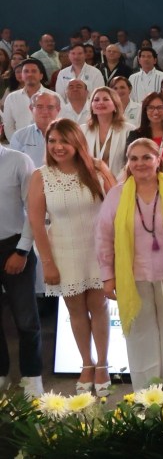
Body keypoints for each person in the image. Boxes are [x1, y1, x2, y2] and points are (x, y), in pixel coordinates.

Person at [96, 139, 163, 395]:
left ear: (158, 160)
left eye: (146, 157)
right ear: (128, 164)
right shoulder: (117, 194)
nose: (140, 163)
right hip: (133, 277)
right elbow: (103, 237)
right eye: (134, 159)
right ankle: (148, 390)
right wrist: (107, 277)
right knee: (140, 335)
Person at [27, 119, 116, 396]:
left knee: (99, 308)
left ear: (77, 142)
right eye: (52, 141)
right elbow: (36, 222)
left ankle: (102, 364)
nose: (57, 147)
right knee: (76, 311)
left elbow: (116, 206)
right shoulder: (41, 176)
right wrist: (48, 264)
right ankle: (86, 364)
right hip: (63, 252)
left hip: (97, 251)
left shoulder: (97, 169)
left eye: (63, 141)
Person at [0, 144, 44, 396]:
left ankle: (32, 374)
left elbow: (34, 209)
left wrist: (22, 250)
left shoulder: (19, 160)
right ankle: (1, 373)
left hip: (14, 245)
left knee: (26, 318)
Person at [82, 86, 135, 177]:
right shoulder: (82, 130)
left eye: (106, 99)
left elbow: (132, 161)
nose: (100, 102)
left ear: (115, 105)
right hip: (90, 183)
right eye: (96, 100)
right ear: (91, 107)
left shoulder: (129, 130)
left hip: (120, 184)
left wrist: (116, 183)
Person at [127, 93, 163, 170]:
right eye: (151, 108)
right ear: (145, 110)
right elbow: (130, 163)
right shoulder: (135, 136)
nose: (156, 112)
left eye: (160, 108)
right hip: (142, 180)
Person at [9, 90, 61, 167]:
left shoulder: (69, 135)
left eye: (50, 107)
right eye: (39, 107)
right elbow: (14, 167)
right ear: (31, 108)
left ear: (58, 109)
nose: (45, 111)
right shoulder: (20, 137)